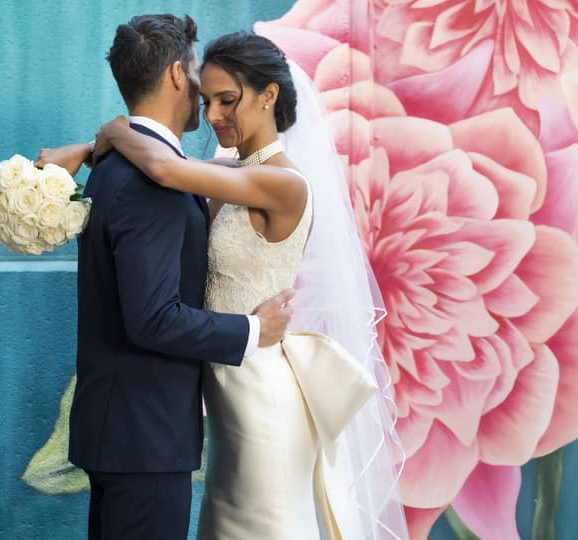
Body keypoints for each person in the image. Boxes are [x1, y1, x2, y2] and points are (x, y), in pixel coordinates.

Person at [86, 31, 410, 539]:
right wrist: (90, 149)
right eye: (207, 100)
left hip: (260, 392)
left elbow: (164, 167)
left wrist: (115, 131)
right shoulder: (230, 173)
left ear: (268, 95)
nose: (213, 115)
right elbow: (169, 166)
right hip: (226, 393)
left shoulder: (283, 183)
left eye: (227, 100)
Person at [42, 15, 296, 540]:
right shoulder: (149, 182)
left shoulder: (119, 167)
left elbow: (200, 171)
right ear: (178, 75)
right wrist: (255, 329)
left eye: (227, 98)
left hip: (131, 431)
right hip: (145, 438)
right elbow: (154, 318)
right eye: (201, 79)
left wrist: (102, 140)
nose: (208, 102)